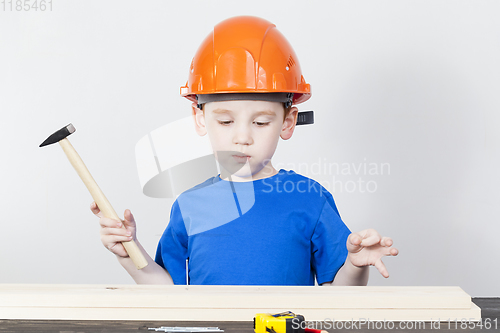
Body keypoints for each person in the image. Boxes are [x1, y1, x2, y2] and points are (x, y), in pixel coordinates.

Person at [91, 16, 398, 286]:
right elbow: (170, 294)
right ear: (201, 119)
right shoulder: (188, 206)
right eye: (225, 121)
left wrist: (355, 267)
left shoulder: (310, 199)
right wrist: (129, 252)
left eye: (261, 122)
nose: (242, 137)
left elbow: (338, 296)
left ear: (287, 122)